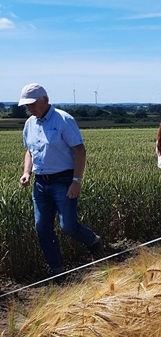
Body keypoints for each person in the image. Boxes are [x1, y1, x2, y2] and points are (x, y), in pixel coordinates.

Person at [18, 83, 104, 278]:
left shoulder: (64, 120)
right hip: (40, 184)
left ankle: (93, 241)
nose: (29, 108)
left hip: (63, 180)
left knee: (68, 226)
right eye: (26, 105)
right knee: (42, 228)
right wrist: (27, 173)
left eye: (32, 104)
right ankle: (57, 271)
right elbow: (29, 151)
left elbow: (79, 150)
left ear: (45, 100)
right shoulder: (29, 124)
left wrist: (76, 180)